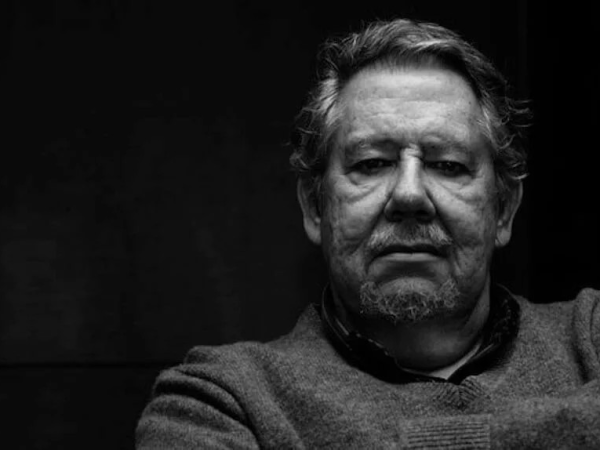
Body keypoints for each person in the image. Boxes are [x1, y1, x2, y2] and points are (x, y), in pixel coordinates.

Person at [136, 18, 600, 449]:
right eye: (372, 163)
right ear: (315, 206)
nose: (409, 195)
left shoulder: (591, 335)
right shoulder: (219, 401)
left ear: (504, 210)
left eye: (448, 165)